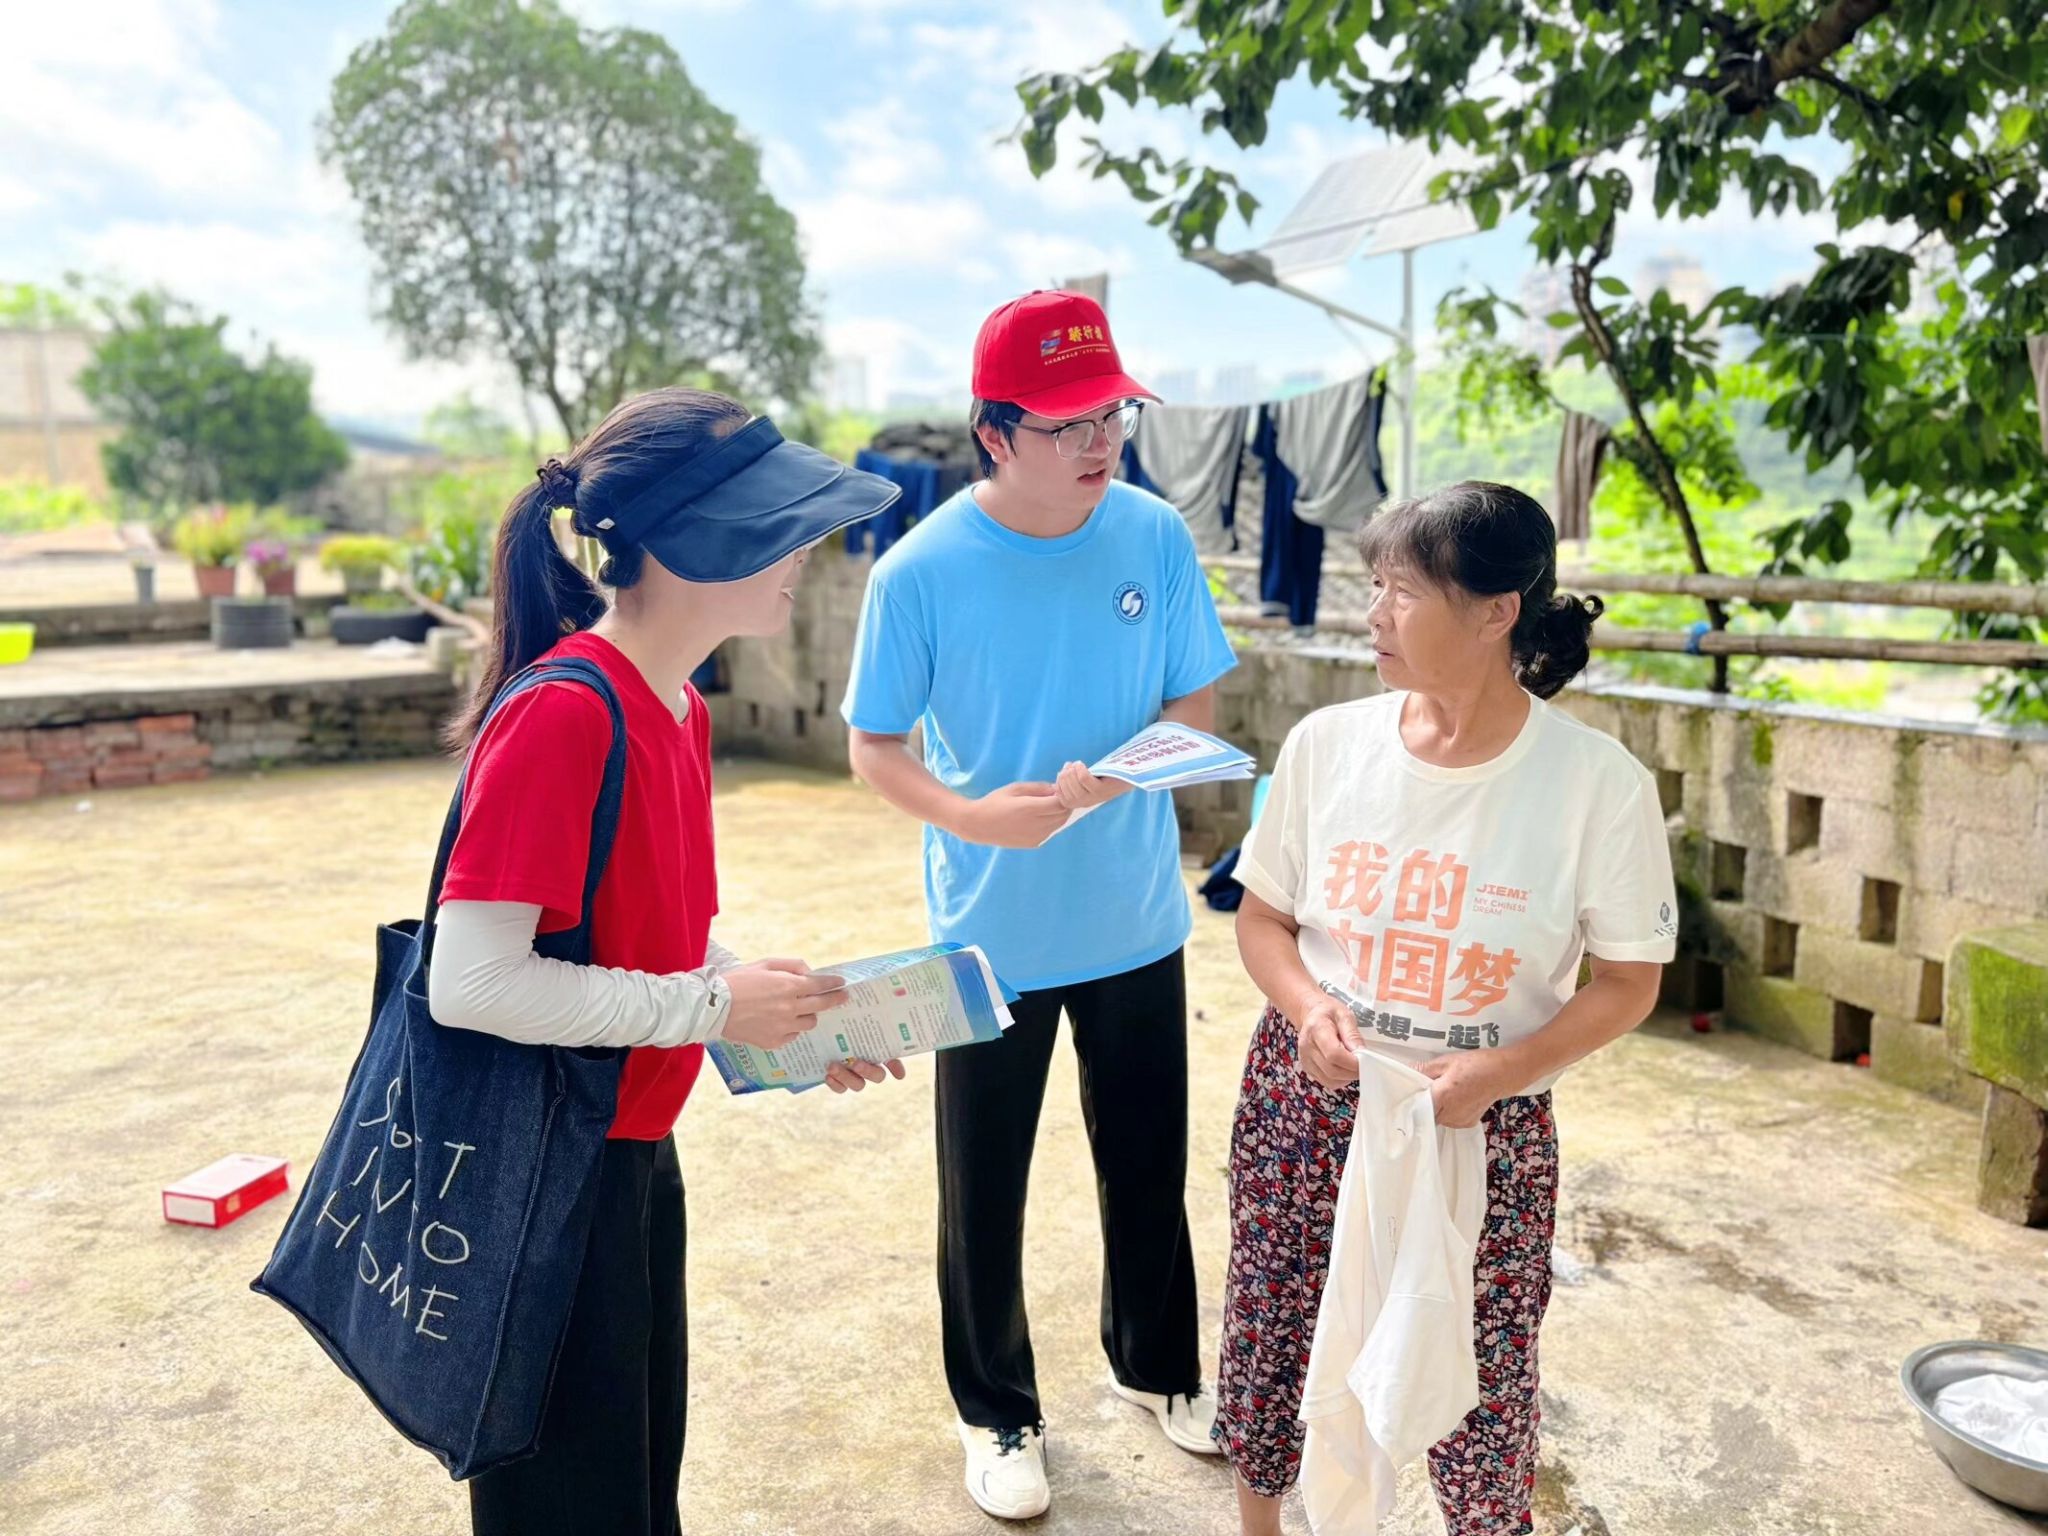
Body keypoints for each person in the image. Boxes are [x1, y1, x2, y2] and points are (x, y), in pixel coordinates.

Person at [426, 387, 906, 1536]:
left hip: (631, 1154)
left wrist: (781, 1013)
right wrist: (710, 1005)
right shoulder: (565, 714)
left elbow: (651, 936)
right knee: (572, 1507)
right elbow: (472, 982)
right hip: (547, 1184)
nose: (805, 551)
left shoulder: (676, 707)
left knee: (636, 1489)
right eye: (783, 524)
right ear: (697, 542)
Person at [842, 290, 1239, 1521]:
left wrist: (1115, 779)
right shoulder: (917, 571)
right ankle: (994, 1411)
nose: (1096, 441)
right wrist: (969, 816)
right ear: (993, 432)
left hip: (1134, 918)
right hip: (990, 933)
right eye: (1065, 421)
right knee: (983, 1187)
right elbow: (874, 746)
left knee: (1146, 1162)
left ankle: (1157, 1367)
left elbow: (1195, 707)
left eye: (1109, 413)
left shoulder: (1152, 534)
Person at [1216, 481, 1675, 1536]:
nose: (1373, 614)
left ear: (1496, 610)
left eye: (1403, 592)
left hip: (1482, 1120)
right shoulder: (1328, 746)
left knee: (1480, 1369)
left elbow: (1627, 982)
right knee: (1273, 1330)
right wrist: (1307, 1010)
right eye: (1374, 586)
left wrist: (1501, 1072)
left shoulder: (1594, 784)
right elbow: (1264, 919)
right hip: (1308, 1101)